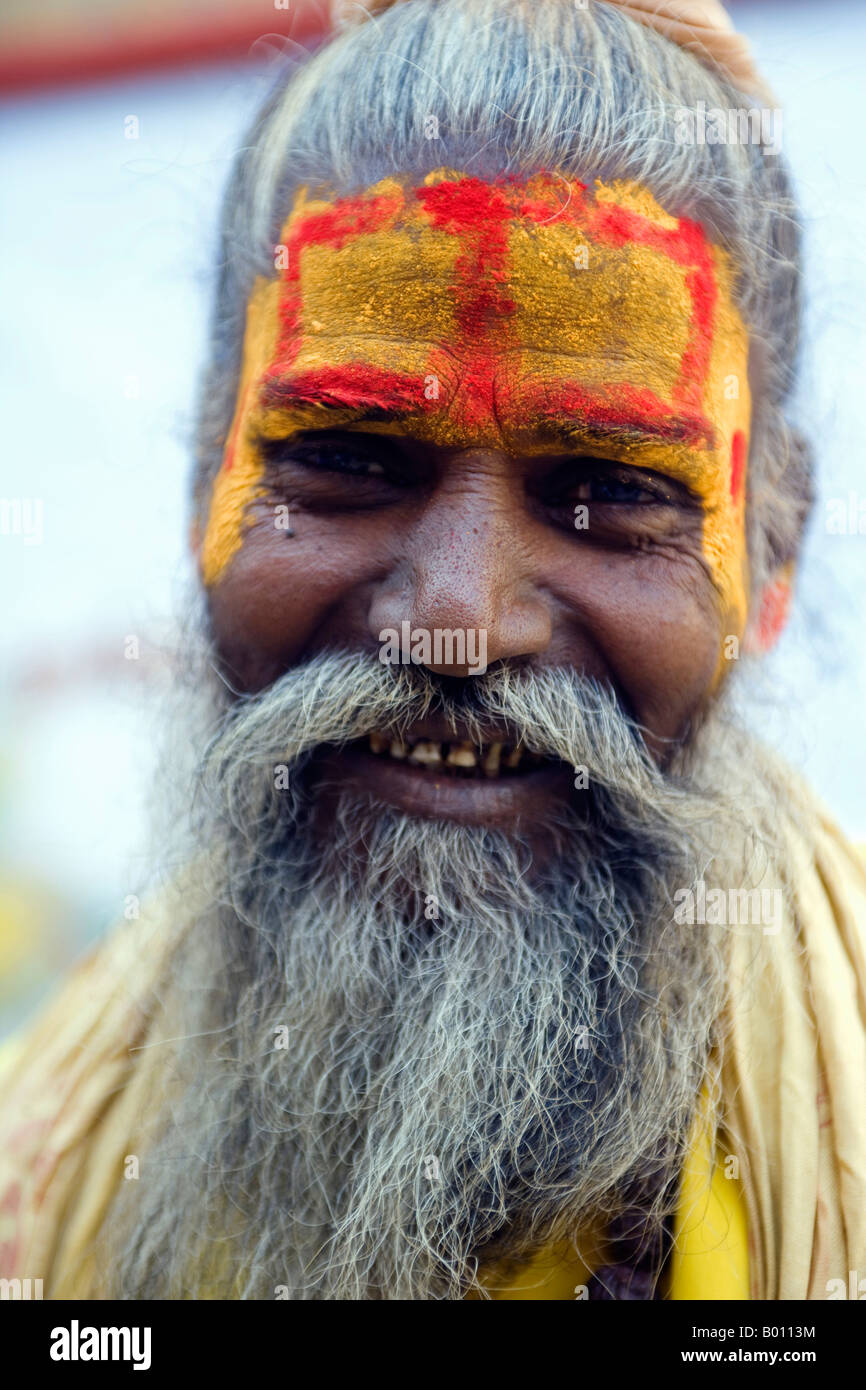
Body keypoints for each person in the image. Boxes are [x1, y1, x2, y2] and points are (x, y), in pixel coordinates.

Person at [1, 0, 864, 1301]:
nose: (455, 618)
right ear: (201, 487)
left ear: (770, 549)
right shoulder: (42, 1167)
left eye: (607, 489)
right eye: (347, 459)